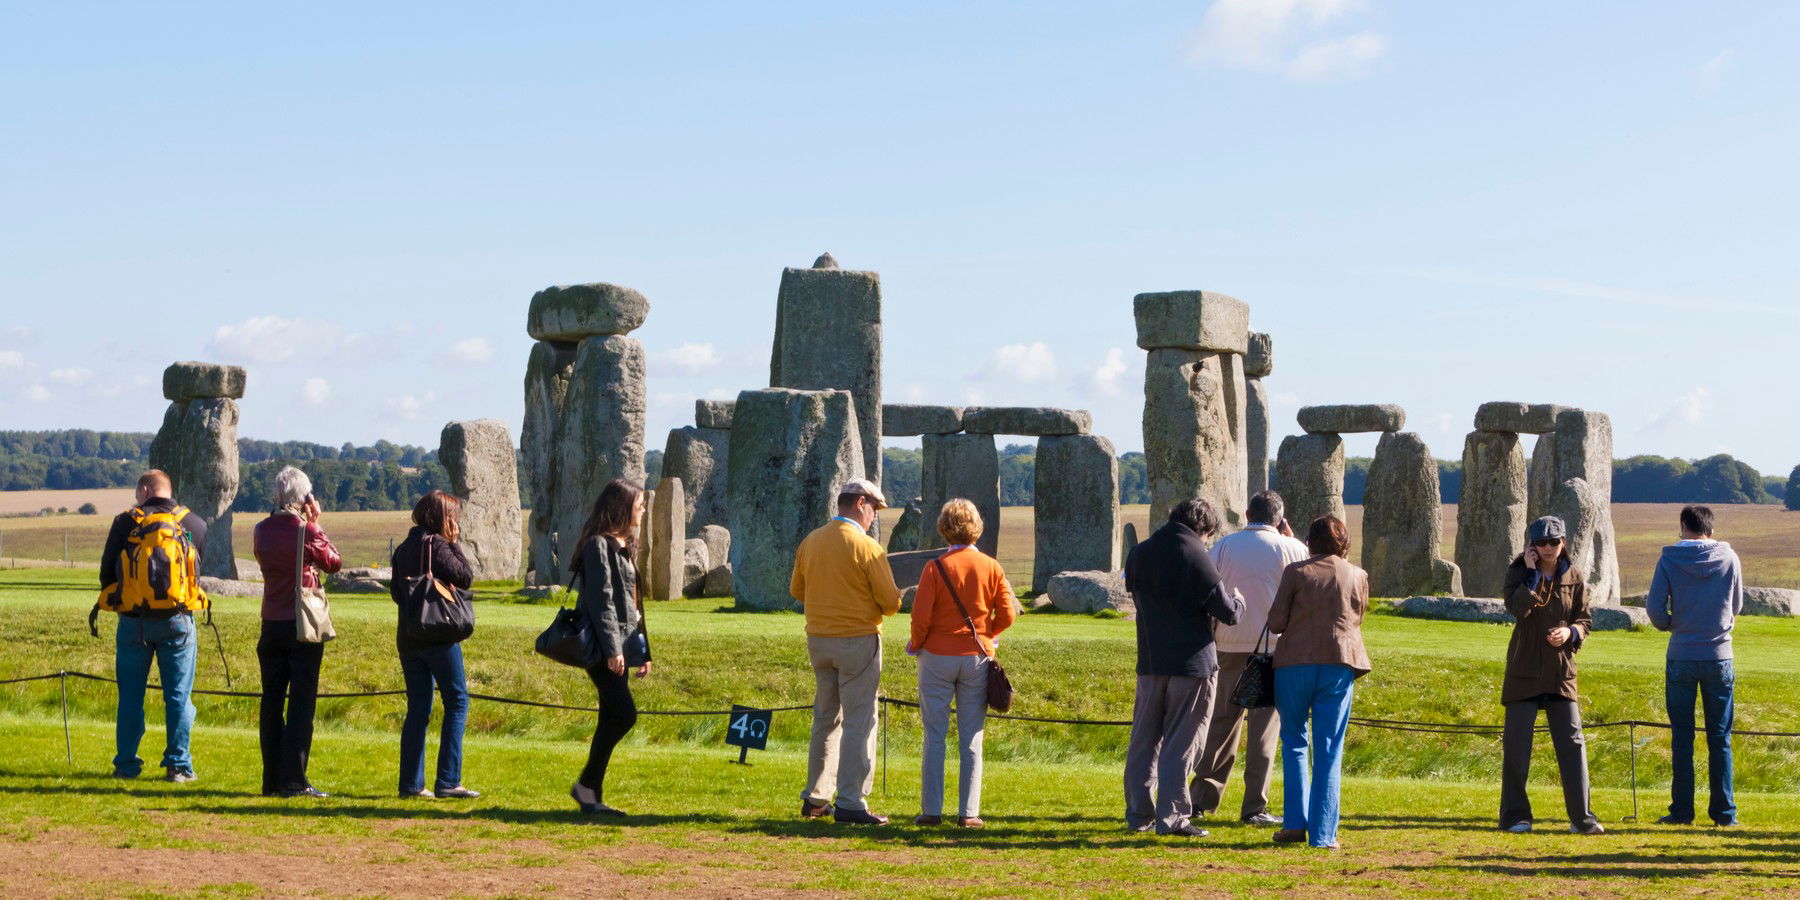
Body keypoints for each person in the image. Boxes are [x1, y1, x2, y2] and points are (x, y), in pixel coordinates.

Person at [1122, 498, 1243, 837]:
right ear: (1203, 529)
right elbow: (1228, 612)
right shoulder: (1196, 556)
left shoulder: (1140, 554)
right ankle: (1173, 817)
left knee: (1144, 740)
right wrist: (1240, 601)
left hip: (1150, 661)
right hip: (1192, 665)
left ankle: (1138, 813)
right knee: (1181, 743)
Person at [1191, 490, 1308, 826]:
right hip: (1274, 647)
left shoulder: (1225, 546)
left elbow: (1208, 590)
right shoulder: (1294, 548)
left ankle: (1202, 798)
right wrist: (1293, 537)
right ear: (1281, 518)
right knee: (1263, 731)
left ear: (1247, 513)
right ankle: (1255, 805)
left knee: (1222, 724)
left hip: (1228, 642)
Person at [791, 478, 903, 825]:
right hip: (857, 639)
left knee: (826, 718)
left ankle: (816, 795)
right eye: (874, 509)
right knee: (859, 721)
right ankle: (852, 800)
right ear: (860, 504)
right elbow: (890, 602)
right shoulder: (867, 547)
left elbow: (798, 590)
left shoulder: (811, 541)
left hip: (819, 639)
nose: (874, 516)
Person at [906, 498, 1017, 829]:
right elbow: (1009, 613)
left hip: (937, 656)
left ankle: (931, 810)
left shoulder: (935, 568)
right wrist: (988, 634)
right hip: (977, 656)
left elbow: (920, 617)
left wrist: (918, 643)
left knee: (935, 734)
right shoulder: (992, 567)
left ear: (943, 528)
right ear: (977, 527)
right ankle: (969, 812)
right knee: (972, 737)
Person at [1267, 515, 1371, 850]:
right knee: (1329, 749)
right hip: (1338, 662)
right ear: (1344, 542)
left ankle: (1295, 823)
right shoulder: (1358, 575)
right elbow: (1358, 616)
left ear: (1309, 542)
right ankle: (1324, 833)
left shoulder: (1295, 572)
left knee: (1295, 741)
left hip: (1293, 664)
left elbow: (1276, 622)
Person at [98, 469, 209, 782]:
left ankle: (127, 765)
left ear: (145, 490)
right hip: (178, 621)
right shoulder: (195, 524)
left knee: (130, 696)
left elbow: (107, 572)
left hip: (134, 623)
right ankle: (178, 765)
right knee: (178, 696)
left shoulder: (125, 522)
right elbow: (196, 573)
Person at [1497, 516, 1602, 835]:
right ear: (1531, 546)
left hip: (1560, 671)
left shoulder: (1575, 575)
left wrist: (1570, 632)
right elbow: (1517, 609)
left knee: (1572, 743)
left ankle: (1582, 819)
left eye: (1553, 542)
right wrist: (1531, 575)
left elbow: (1585, 619)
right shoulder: (1518, 572)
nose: (1547, 548)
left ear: (1563, 542)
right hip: (1523, 667)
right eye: (1540, 543)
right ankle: (1515, 817)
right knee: (1517, 746)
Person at [1646, 505, 1743, 827]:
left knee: (1682, 737)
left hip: (1682, 654)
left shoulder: (1670, 558)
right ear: (1710, 530)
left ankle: (1682, 811)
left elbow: (1655, 609)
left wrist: (1674, 625)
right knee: (1720, 738)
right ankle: (1724, 813)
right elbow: (1737, 603)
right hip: (1719, 656)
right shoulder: (1729, 557)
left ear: (1683, 526)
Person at [252, 466, 343, 798]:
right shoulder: (306, 530)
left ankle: (272, 779)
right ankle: (295, 779)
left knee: (271, 702)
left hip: (270, 620)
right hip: (302, 624)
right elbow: (333, 562)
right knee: (302, 704)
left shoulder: (261, 530)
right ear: (305, 498)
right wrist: (316, 525)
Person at [568, 479, 653, 816]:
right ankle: (586, 785)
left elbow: (635, 605)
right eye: (640, 504)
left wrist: (643, 652)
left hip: (622, 644)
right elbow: (601, 602)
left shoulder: (623, 544)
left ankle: (591, 793)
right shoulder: (598, 546)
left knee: (611, 716)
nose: (643, 510)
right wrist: (613, 650)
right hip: (606, 647)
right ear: (622, 506)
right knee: (624, 714)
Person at [389, 490, 479, 800]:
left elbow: (397, 594)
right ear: (441, 518)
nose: (455, 523)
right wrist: (454, 545)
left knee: (418, 710)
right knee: (456, 701)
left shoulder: (402, 549)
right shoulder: (439, 546)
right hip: (439, 637)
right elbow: (465, 577)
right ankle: (448, 780)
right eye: (452, 517)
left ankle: (411, 785)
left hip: (409, 637)